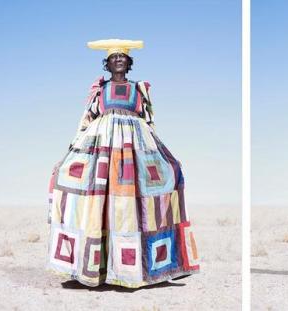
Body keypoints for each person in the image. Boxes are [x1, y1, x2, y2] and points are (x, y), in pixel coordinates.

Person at [47, 39, 199, 288]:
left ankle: (137, 269)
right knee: (99, 202)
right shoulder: (99, 89)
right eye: (113, 57)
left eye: (122, 57)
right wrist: (68, 152)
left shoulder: (140, 90)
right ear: (106, 63)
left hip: (133, 148)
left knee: (131, 203)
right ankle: (93, 268)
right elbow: (85, 121)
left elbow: (149, 122)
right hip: (102, 148)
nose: (118, 60)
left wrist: (164, 153)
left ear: (129, 63)